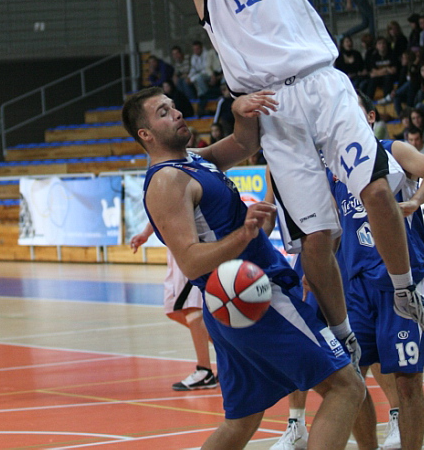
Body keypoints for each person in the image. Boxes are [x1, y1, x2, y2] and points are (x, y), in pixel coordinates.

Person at [121, 0, 424, 357]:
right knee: (317, 237)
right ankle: (343, 338)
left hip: (322, 84)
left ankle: (408, 294)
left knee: (377, 191)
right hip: (270, 109)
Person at [121, 85, 365, 450]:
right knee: (346, 387)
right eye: (163, 113)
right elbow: (189, 260)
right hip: (252, 296)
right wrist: (245, 233)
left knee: (242, 420)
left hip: (233, 304)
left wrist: (240, 110)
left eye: (173, 107)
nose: (177, 114)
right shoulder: (167, 181)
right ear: (146, 134)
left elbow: (243, 142)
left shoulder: (193, 160)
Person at [275, 91, 424, 450]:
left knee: (407, 382)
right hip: (354, 287)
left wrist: (416, 200)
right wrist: (314, 268)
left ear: (369, 117)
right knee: (351, 381)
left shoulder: (392, 150)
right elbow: (331, 230)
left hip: (401, 282)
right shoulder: (333, 169)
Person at [130, 222, 218, 391]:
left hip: (189, 245)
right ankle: (231, 353)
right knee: (173, 310)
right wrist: (146, 233)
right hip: (174, 247)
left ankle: (204, 371)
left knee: (192, 310)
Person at [361, 36, 399, 102]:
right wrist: (386, 69)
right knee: (372, 80)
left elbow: (393, 71)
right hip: (379, 78)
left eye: (383, 43)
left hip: (390, 78)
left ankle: (387, 99)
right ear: (376, 46)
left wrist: (380, 72)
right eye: (379, 43)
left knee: (388, 77)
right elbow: (373, 74)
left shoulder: (392, 55)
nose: (382, 45)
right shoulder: (374, 56)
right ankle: (368, 100)